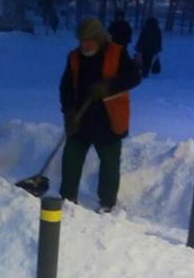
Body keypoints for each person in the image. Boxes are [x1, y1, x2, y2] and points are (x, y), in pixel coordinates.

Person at [59, 17, 141, 212]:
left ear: (99, 38)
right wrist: (69, 112)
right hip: (81, 119)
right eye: (81, 41)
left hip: (109, 120)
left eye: (89, 40)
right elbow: (66, 88)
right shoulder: (75, 57)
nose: (85, 45)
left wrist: (108, 87)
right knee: (70, 159)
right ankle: (67, 200)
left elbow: (134, 77)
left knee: (110, 165)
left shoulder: (116, 53)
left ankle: (107, 203)